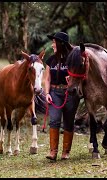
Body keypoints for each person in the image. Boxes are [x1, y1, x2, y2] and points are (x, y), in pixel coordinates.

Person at [44, 32, 80, 161]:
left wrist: (71, 79)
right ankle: (53, 152)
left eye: (54, 42)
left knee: (68, 122)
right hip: (54, 92)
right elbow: (47, 79)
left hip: (69, 93)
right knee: (54, 120)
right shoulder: (50, 60)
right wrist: (47, 93)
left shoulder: (72, 59)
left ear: (61, 44)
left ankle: (66, 152)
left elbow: (78, 74)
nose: (52, 45)